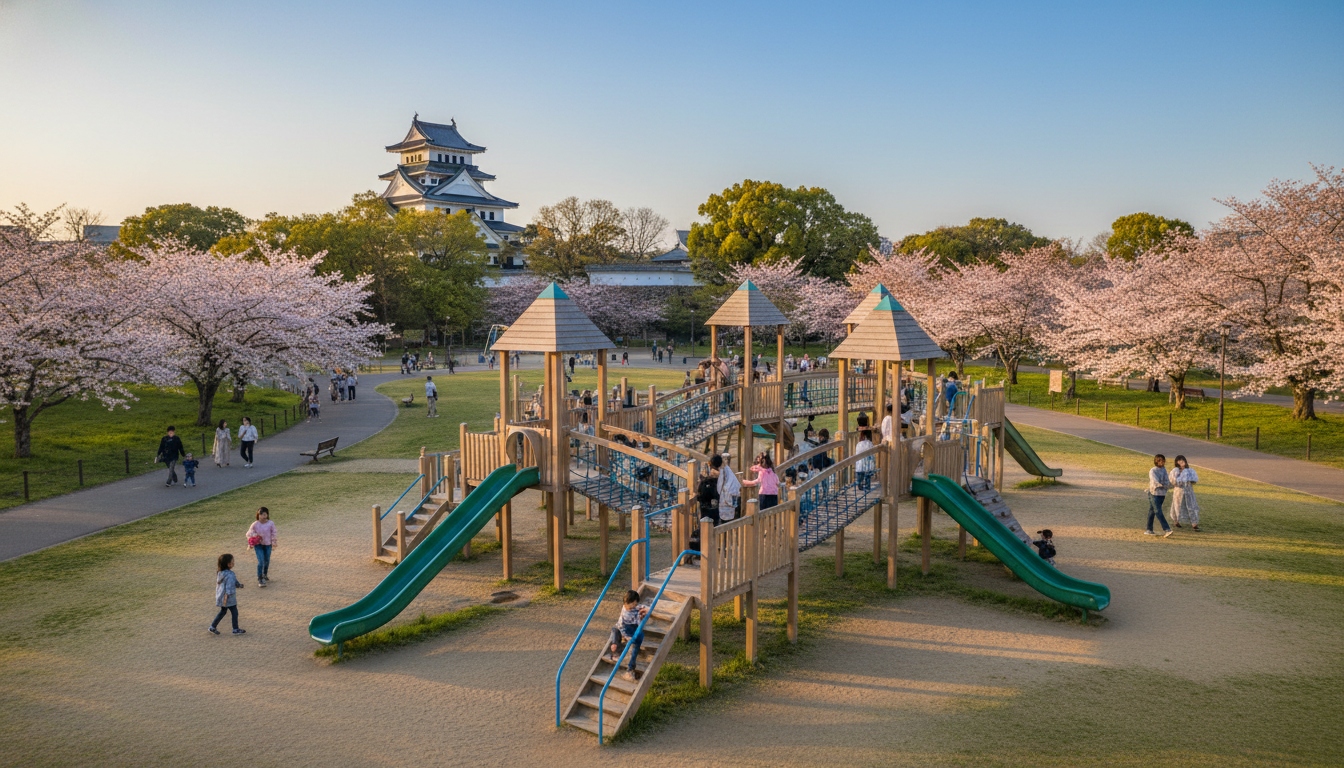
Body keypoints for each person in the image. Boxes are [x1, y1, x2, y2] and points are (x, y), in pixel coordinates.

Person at [606, 590, 648, 681]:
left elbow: (644, 607)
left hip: (634, 629)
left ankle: (630, 669)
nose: (630, 607)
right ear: (625, 603)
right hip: (624, 628)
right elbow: (621, 625)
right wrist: (625, 636)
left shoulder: (636, 608)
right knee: (614, 630)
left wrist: (646, 610)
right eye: (628, 605)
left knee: (637, 641)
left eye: (633, 605)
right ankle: (617, 648)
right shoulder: (625, 610)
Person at [208, 553, 245, 635]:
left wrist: (238, 584)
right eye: (233, 561)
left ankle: (212, 626)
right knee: (234, 612)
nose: (234, 562)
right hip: (228, 598)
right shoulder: (230, 574)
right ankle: (235, 629)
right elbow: (230, 586)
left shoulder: (220, 573)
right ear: (229, 564)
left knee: (223, 611)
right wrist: (230, 594)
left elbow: (232, 582)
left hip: (221, 597)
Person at [246, 507, 278, 587]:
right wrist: (256, 535)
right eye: (261, 514)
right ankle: (260, 578)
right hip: (258, 545)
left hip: (268, 545)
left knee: (266, 561)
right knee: (261, 561)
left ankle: (264, 574)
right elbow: (248, 534)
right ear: (258, 515)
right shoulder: (255, 524)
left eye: (264, 514)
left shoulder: (270, 523)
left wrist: (273, 542)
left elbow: (274, 532)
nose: (263, 516)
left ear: (267, 515)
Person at [1145, 454, 1174, 537]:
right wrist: (1160, 485)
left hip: (1162, 494)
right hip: (1153, 493)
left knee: (1152, 510)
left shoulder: (1164, 470)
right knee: (1157, 510)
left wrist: (1169, 485)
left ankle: (1149, 529)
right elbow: (1154, 480)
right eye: (1160, 460)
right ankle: (1167, 529)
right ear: (1156, 461)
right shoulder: (1153, 470)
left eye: (1163, 460)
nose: (1162, 462)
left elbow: (1166, 480)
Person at [1170, 455, 1201, 531]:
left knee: (1192, 506)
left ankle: (1194, 524)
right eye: (1180, 462)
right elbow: (1173, 481)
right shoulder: (1175, 471)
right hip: (1179, 492)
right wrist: (1181, 479)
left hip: (1188, 491)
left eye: (1182, 461)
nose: (1182, 463)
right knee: (1177, 506)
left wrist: (1189, 479)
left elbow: (1194, 479)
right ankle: (1176, 521)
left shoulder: (1190, 471)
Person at [712, 454, 740, 522]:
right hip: (730, 495)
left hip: (726, 497)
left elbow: (720, 486)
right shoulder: (726, 469)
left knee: (726, 520)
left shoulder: (723, 471)